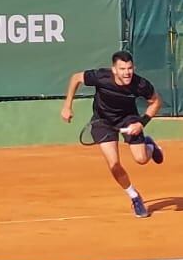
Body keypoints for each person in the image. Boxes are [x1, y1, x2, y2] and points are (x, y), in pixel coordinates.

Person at [61, 50, 165, 218]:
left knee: (141, 159)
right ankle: (135, 197)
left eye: (129, 68)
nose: (127, 73)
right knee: (114, 164)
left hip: (128, 120)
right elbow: (76, 78)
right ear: (114, 70)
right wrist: (67, 105)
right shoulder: (101, 77)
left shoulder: (140, 85)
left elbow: (156, 102)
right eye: (122, 69)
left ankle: (150, 146)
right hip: (103, 122)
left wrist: (141, 122)